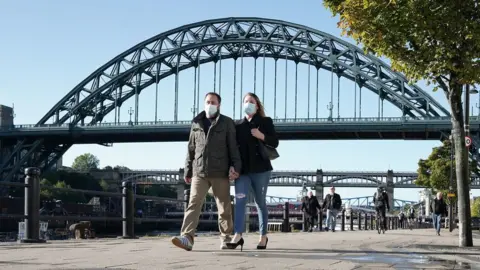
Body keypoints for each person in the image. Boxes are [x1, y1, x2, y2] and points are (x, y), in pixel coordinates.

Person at [171, 92, 242, 251]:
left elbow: (233, 147)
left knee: (224, 207)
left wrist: (236, 167)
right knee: (193, 204)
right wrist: (188, 170)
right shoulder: (196, 123)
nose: (210, 104)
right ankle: (187, 238)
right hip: (199, 171)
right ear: (204, 104)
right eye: (208, 102)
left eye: (213, 102)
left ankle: (225, 238)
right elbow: (191, 148)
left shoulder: (227, 123)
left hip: (220, 171)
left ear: (219, 105)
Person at [226, 92, 279, 251]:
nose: (248, 103)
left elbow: (275, 142)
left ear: (257, 105)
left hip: (261, 170)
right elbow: (232, 149)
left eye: (251, 101)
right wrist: (231, 166)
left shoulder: (265, 122)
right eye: (245, 101)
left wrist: (261, 135)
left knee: (260, 202)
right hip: (242, 171)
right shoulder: (237, 125)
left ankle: (263, 236)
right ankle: (238, 235)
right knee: (240, 201)